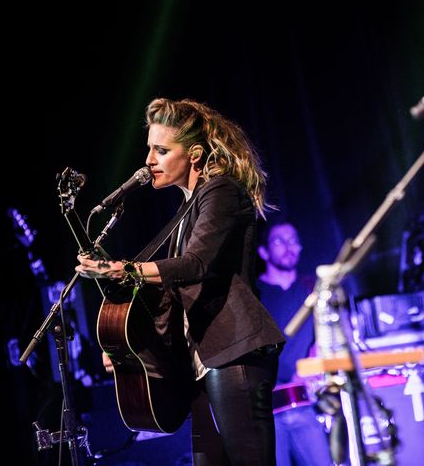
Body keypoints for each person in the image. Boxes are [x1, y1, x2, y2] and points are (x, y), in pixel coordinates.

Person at [76, 98, 285, 465]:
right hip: (203, 361)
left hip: (234, 352)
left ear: (194, 154)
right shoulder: (187, 208)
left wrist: (122, 269)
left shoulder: (221, 191)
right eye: (149, 150)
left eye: (161, 150)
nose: (149, 161)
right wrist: (131, 354)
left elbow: (195, 264)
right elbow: (172, 302)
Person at [256, 217, 333, 466]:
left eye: (294, 240)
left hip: (303, 402)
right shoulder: (253, 295)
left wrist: (314, 361)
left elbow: (326, 334)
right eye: (279, 241)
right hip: (266, 409)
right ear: (264, 251)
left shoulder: (312, 289)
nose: (289, 246)